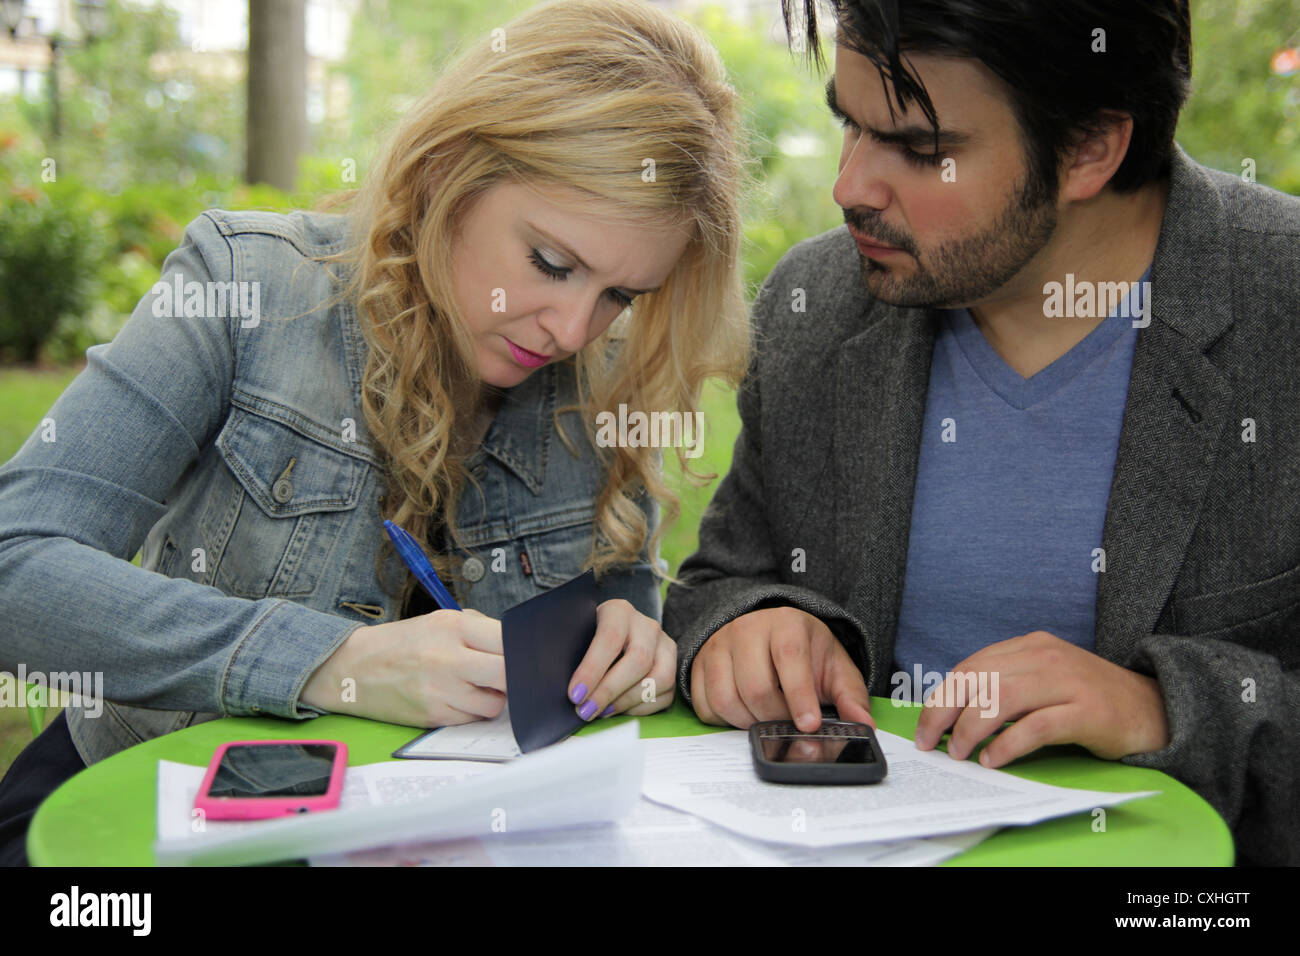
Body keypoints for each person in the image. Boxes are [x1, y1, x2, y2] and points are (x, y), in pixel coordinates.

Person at [0, 0, 747, 865]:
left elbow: (607, 642)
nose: (574, 330)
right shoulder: (242, 287)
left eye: (622, 294)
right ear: (447, 172)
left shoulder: (606, 378)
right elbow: (17, 561)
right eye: (551, 262)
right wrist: (329, 660)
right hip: (143, 812)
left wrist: (630, 648)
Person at [663, 0, 1298, 866]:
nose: (850, 187)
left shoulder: (1282, 311)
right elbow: (723, 581)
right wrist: (746, 625)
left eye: (922, 151)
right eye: (850, 125)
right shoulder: (815, 305)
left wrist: (1164, 710)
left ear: (1090, 148)